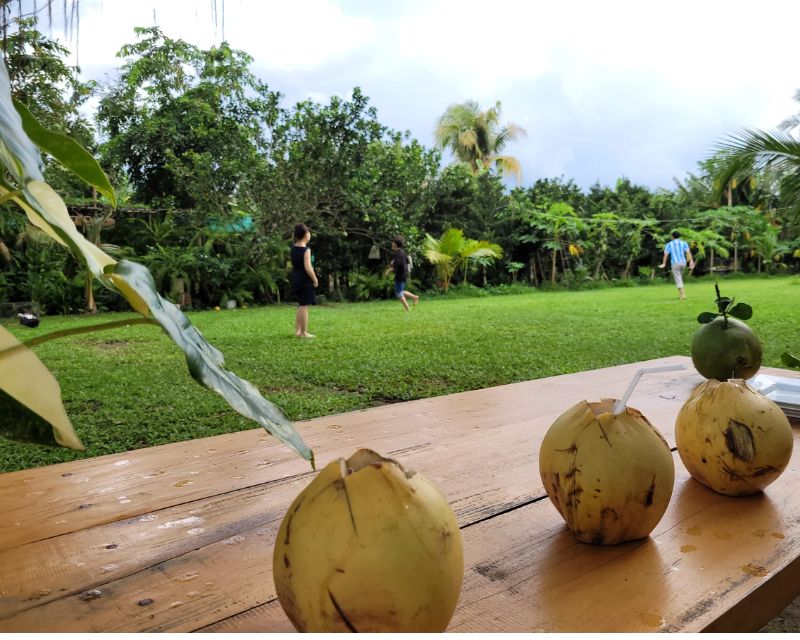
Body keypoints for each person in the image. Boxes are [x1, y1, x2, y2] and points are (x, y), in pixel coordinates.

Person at [290, 223, 319, 338]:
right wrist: (315, 279)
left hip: (296, 278)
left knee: (300, 304)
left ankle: (298, 331)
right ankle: (304, 332)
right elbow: (308, 267)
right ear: (306, 234)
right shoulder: (306, 250)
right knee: (304, 306)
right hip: (304, 280)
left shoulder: (293, 248)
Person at [385, 235, 419, 311]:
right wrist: (394, 262)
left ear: (396, 244)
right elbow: (406, 261)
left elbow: (396, 266)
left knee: (398, 293)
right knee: (400, 291)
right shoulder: (402, 252)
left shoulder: (398, 254)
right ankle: (415, 297)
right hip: (404, 274)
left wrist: (388, 271)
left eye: (393, 242)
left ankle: (407, 308)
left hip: (400, 275)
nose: (392, 243)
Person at [659, 230, 695, 300]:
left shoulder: (669, 244)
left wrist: (664, 263)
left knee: (678, 279)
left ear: (672, 236)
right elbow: (688, 253)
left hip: (675, 263)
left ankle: (683, 295)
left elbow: (666, 254)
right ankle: (681, 295)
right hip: (683, 263)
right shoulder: (684, 243)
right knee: (679, 278)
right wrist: (691, 262)